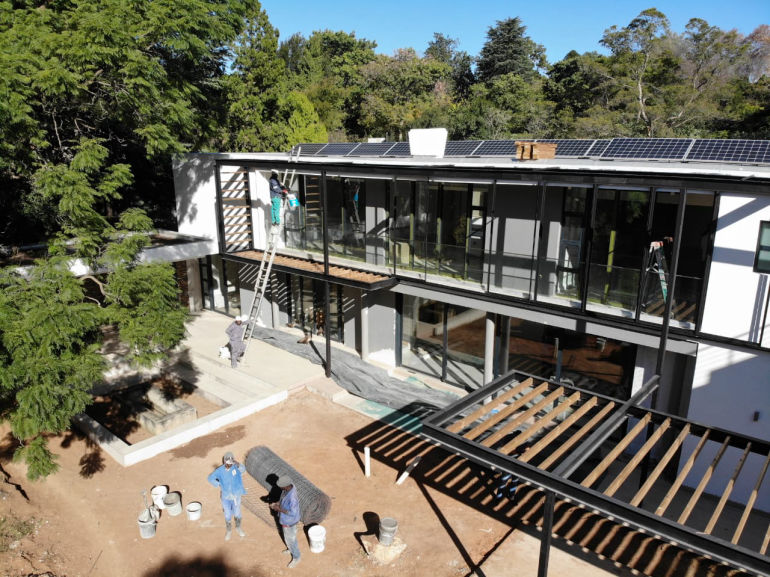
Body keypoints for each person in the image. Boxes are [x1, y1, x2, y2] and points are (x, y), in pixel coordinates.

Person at [207, 451, 247, 541]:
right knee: (227, 513)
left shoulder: (236, 467)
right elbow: (210, 478)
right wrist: (218, 484)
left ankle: (238, 527)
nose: (229, 465)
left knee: (237, 512)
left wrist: (237, 463)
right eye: (227, 463)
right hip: (226, 497)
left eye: (230, 463)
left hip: (236, 496)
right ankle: (229, 530)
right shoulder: (220, 470)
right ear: (224, 462)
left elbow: (243, 469)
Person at [270, 475, 301, 568]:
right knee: (288, 538)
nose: (279, 487)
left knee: (291, 540)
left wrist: (278, 509)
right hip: (285, 520)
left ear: (286, 486)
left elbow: (292, 513)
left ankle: (296, 557)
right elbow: (283, 499)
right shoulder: (287, 489)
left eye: (281, 486)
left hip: (290, 522)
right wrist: (277, 503)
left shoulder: (292, 498)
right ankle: (290, 548)